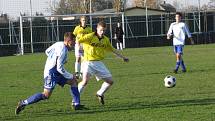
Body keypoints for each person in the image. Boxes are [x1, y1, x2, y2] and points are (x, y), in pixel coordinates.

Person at [15, 32, 82, 115]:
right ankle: (23, 103)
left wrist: (53, 60)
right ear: (69, 41)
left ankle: (76, 105)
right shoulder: (63, 50)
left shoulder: (58, 44)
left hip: (55, 71)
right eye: (73, 41)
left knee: (74, 82)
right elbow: (59, 68)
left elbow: (47, 51)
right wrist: (71, 75)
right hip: (51, 73)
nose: (75, 43)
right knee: (46, 95)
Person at [77, 21, 129, 105]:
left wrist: (123, 57)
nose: (102, 32)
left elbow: (112, 49)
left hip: (98, 63)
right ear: (97, 29)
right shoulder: (90, 36)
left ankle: (100, 93)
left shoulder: (105, 40)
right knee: (85, 81)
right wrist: (80, 49)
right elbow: (79, 40)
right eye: (101, 30)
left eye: (104, 30)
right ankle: (75, 100)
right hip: (88, 62)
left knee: (110, 81)